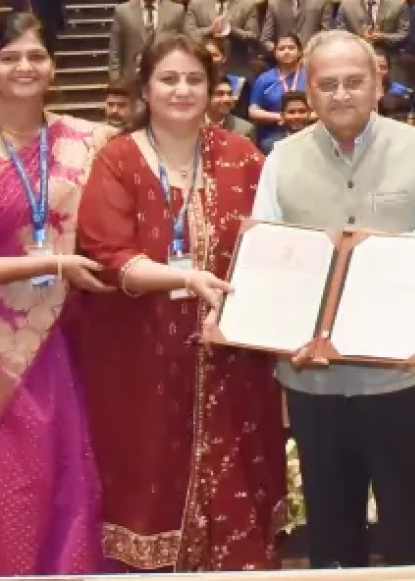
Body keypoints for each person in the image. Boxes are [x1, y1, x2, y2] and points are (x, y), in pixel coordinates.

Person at [250, 31, 415, 568]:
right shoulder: (280, 160)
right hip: (312, 375)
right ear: (307, 89)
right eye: (327, 84)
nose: (341, 94)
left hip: (399, 370)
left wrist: (380, 255)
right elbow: (266, 255)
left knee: (409, 520)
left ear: (377, 84)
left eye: (354, 82)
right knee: (330, 525)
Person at [74, 31, 286, 570]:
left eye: (195, 79)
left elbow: (271, 248)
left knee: (241, 485)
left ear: (214, 90)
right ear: (145, 88)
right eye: (168, 78)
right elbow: (107, 252)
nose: (182, 90)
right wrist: (182, 277)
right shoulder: (117, 160)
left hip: (234, 356)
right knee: (147, 482)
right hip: (140, 359)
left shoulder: (242, 156)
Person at [0, 13, 110, 576]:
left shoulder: (90, 141)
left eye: (36, 55)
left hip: (79, 340)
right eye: (10, 57)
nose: (25, 66)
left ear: (53, 68)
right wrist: (51, 261)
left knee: (77, 483)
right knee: (13, 486)